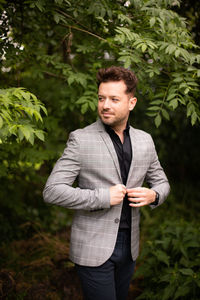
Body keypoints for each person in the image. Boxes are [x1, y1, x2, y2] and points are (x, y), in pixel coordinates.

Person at [43, 66, 170, 300]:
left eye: (114, 99)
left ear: (131, 103)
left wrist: (154, 195)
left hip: (130, 249)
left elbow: (162, 182)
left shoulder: (145, 140)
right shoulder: (81, 139)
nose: (105, 105)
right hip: (92, 248)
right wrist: (101, 197)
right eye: (101, 98)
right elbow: (51, 191)